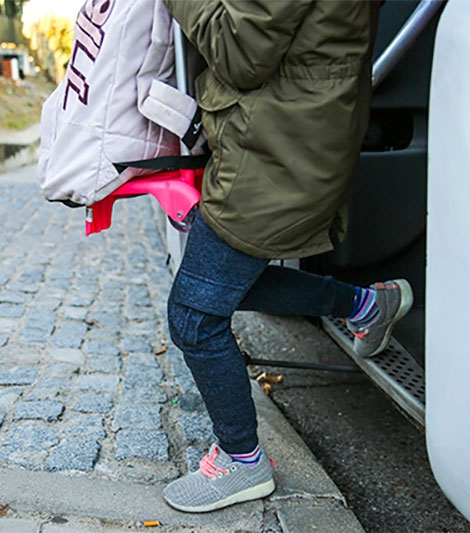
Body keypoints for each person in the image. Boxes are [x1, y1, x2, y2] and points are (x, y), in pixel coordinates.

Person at [160, 1, 412, 513]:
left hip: (274, 148)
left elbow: (239, 51)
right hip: (287, 135)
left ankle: (242, 461)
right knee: (217, 287)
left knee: (192, 316)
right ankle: (365, 306)